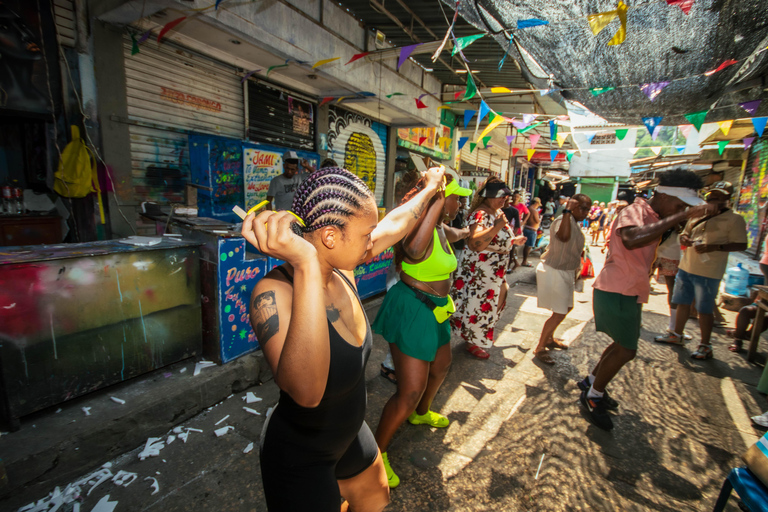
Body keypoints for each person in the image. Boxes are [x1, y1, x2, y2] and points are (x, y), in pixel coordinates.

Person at [242, 166, 445, 511]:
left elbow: (396, 225)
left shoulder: (343, 266)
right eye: (367, 234)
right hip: (300, 457)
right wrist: (305, 264)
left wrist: (429, 190)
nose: (373, 240)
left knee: (376, 499)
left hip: (348, 434)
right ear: (331, 237)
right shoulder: (274, 293)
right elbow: (307, 393)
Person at [578, 169, 716, 430]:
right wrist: (682, 216)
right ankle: (593, 395)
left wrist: (676, 220)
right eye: (679, 205)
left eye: (685, 207)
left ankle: (592, 382)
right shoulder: (634, 211)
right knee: (627, 350)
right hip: (618, 289)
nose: (681, 210)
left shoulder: (652, 215)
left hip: (628, 289)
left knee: (621, 345)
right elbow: (630, 239)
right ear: (664, 196)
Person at [372, 175, 472, 489]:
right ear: (441, 200)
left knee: (441, 366)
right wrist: (438, 197)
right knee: (409, 390)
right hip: (413, 309)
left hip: (436, 309)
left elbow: (461, 234)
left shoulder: (442, 228)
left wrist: (475, 228)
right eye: (456, 198)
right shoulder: (417, 228)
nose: (460, 203)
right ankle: (376, 456)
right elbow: (414, 252)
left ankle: (421, 413)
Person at [654, 181, 748, 359]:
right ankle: (676, 334)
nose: (714, 200)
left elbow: (742, 244)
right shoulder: (697, 216)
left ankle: (705, 345)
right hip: (686, 266)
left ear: (727, 199)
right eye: (711, 196)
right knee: (682, 302)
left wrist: (715, 247)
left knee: (704, 308)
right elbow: (684, 232)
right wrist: (684, 239)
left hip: (709, 271)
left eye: (719, 197)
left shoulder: (734, 219)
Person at [451, 178, 526, 359]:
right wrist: (498, 226)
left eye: (506, 196)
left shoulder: (496, 212)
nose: (505, 200)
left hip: (492, 271)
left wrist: (512, 241)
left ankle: (474, 337)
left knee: (491, 301)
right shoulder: (481, 215)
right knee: (478, 304)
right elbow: (476, 242)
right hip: (481, 271)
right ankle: (472, 341)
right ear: (488, 196)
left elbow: (493, 240)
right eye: (501, 196)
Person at [533, 194, 592, 364]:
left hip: (565, 271)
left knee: (566, 307)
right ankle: (540, 347)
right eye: (582, 208)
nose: (586, 212)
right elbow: (564, 237)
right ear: (572, 206)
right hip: (555, 270)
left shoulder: (572, 221)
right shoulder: (563, 220)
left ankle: (549, 339)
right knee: (559, 312)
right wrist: (567, 209)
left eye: (588, 209)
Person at [501, 195, 522, 273]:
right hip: (497, 235)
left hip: (509, 235)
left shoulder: (514, 211)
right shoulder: (498, 210)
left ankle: (507, 268)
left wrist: (511, 237)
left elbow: (517, 226)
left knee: (509, 253)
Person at [522, 197, 541, 267]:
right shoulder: (534, 211)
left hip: (527, 228)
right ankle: (524, 261)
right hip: (531, 230)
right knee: (528, 246)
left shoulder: (528, 208)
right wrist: (540, 218)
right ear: (536, 203)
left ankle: (524, 260)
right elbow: (537, 221)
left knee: (527, 246)